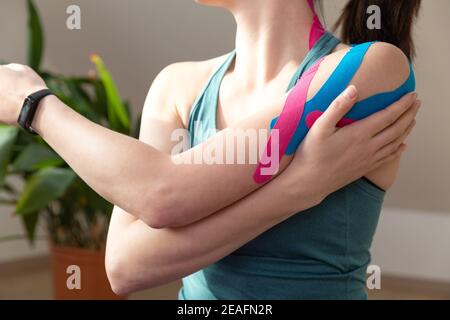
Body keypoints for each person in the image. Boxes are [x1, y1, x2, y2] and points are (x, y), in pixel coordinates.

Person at [0, 0, 421, 299]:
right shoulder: (177, 87)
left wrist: (35, 105)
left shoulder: (370, 70)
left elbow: (162, 194)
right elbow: (125, 268)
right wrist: (296, 189)